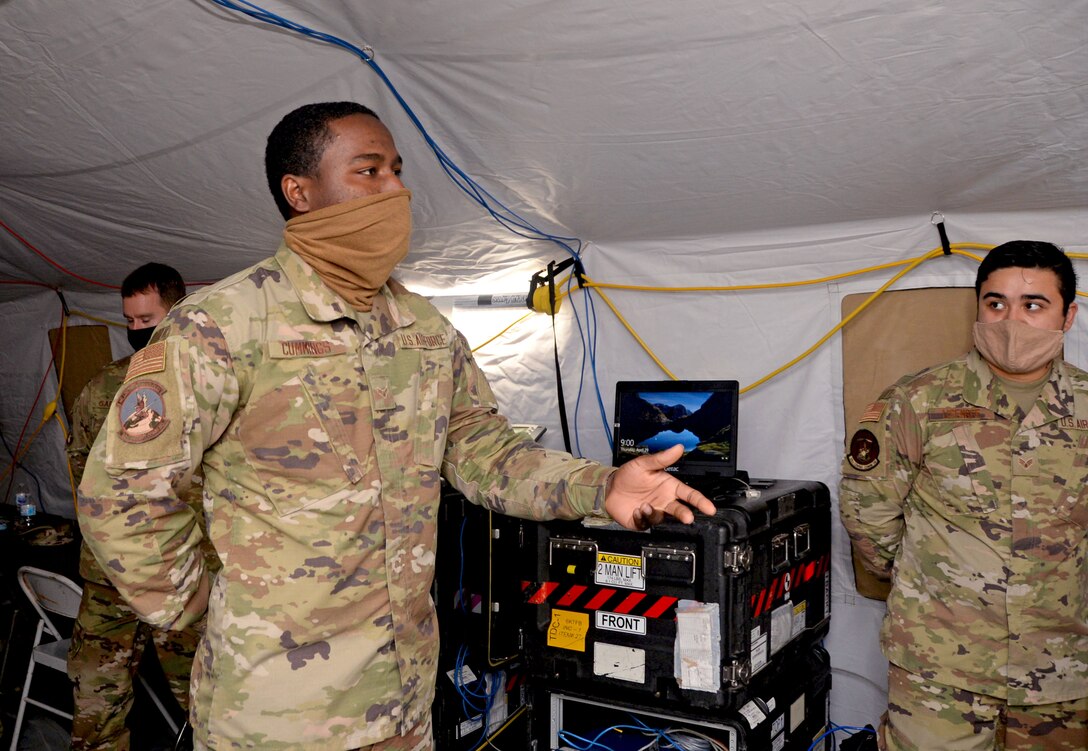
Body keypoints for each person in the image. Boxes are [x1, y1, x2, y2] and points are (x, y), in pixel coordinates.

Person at [76, 101, 716, 751]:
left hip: (402, 706)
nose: (397, 189)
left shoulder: (425, 331)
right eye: (369, 170)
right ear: (299, 192)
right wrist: (204, 610)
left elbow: (485, 449)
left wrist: (601, 486)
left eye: (397, 170)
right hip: (277, 717)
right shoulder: (221, 325)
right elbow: (122, 493)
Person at [839, 240, 1088, 751]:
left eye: (1033, 305)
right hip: (940, 667)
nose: (1009, 321)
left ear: (1069, 316)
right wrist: (929, 586)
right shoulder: (918, 400)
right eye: (995, 304)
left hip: (1063, 669)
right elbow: (868, 510)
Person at [67, 263, 218, 750]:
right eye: (129, 322)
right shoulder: (103, 389)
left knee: (206, 701)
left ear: (179, 313)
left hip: (180, 573)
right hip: (110, 576)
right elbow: (79, 470)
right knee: (94, 702)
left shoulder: (211, 385)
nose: (137, 332)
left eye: (146, 319)